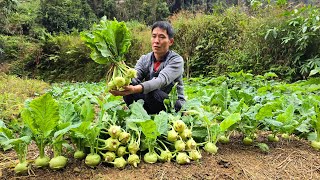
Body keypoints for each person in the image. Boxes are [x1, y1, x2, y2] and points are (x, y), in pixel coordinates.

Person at [110, 21, 185, 114]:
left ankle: (155, 116)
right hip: (153, 102)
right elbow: (135, 77)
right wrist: (123, 82)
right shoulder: (145, 59)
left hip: (173, 104)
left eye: (162, 37)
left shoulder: (176, 60)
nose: (156, 41)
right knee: (129, 91)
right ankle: (143, 115)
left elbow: (161, 81)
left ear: (170, 41)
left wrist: (135, 89)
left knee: (151, 92)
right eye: (154, 36)